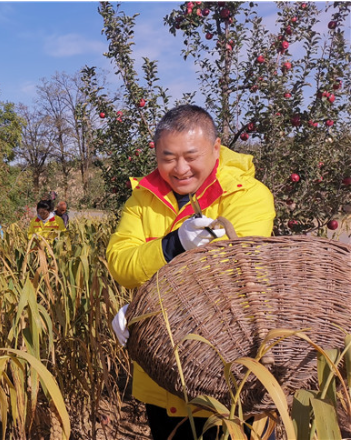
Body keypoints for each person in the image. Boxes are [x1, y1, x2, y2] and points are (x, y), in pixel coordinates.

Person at [106, 105, 275, 440]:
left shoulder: (248, 196)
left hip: (233, 380)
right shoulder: (142, 198)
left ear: (216, 148)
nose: (180, 169)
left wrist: (145, 310)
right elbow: (120, 263)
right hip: (162, 381)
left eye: (191, 156)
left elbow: (231, 280)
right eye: (168, 158)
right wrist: (172, 245)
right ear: (156, 154)